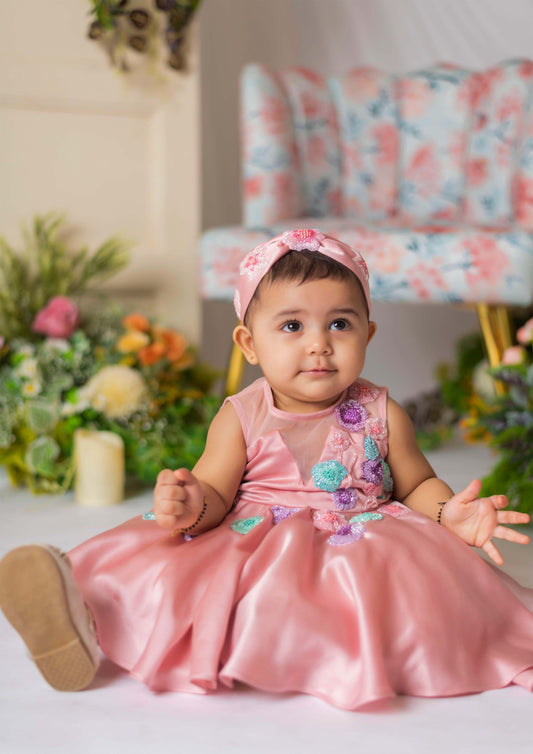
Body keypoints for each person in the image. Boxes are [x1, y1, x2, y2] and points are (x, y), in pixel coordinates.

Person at [1, 228, 533, 710]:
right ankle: (80, 616)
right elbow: (214, 488)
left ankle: (345, 655)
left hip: (363, 538)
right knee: (170, 573)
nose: (319, 343)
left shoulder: (382, 411)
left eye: (340, 324)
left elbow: (415, 483)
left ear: (367, 335)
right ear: (250, 344)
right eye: (293, 325)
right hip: (257, 537)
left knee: (420, 597)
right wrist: (192, 504)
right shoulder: (242, 415)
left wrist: (449, 513)